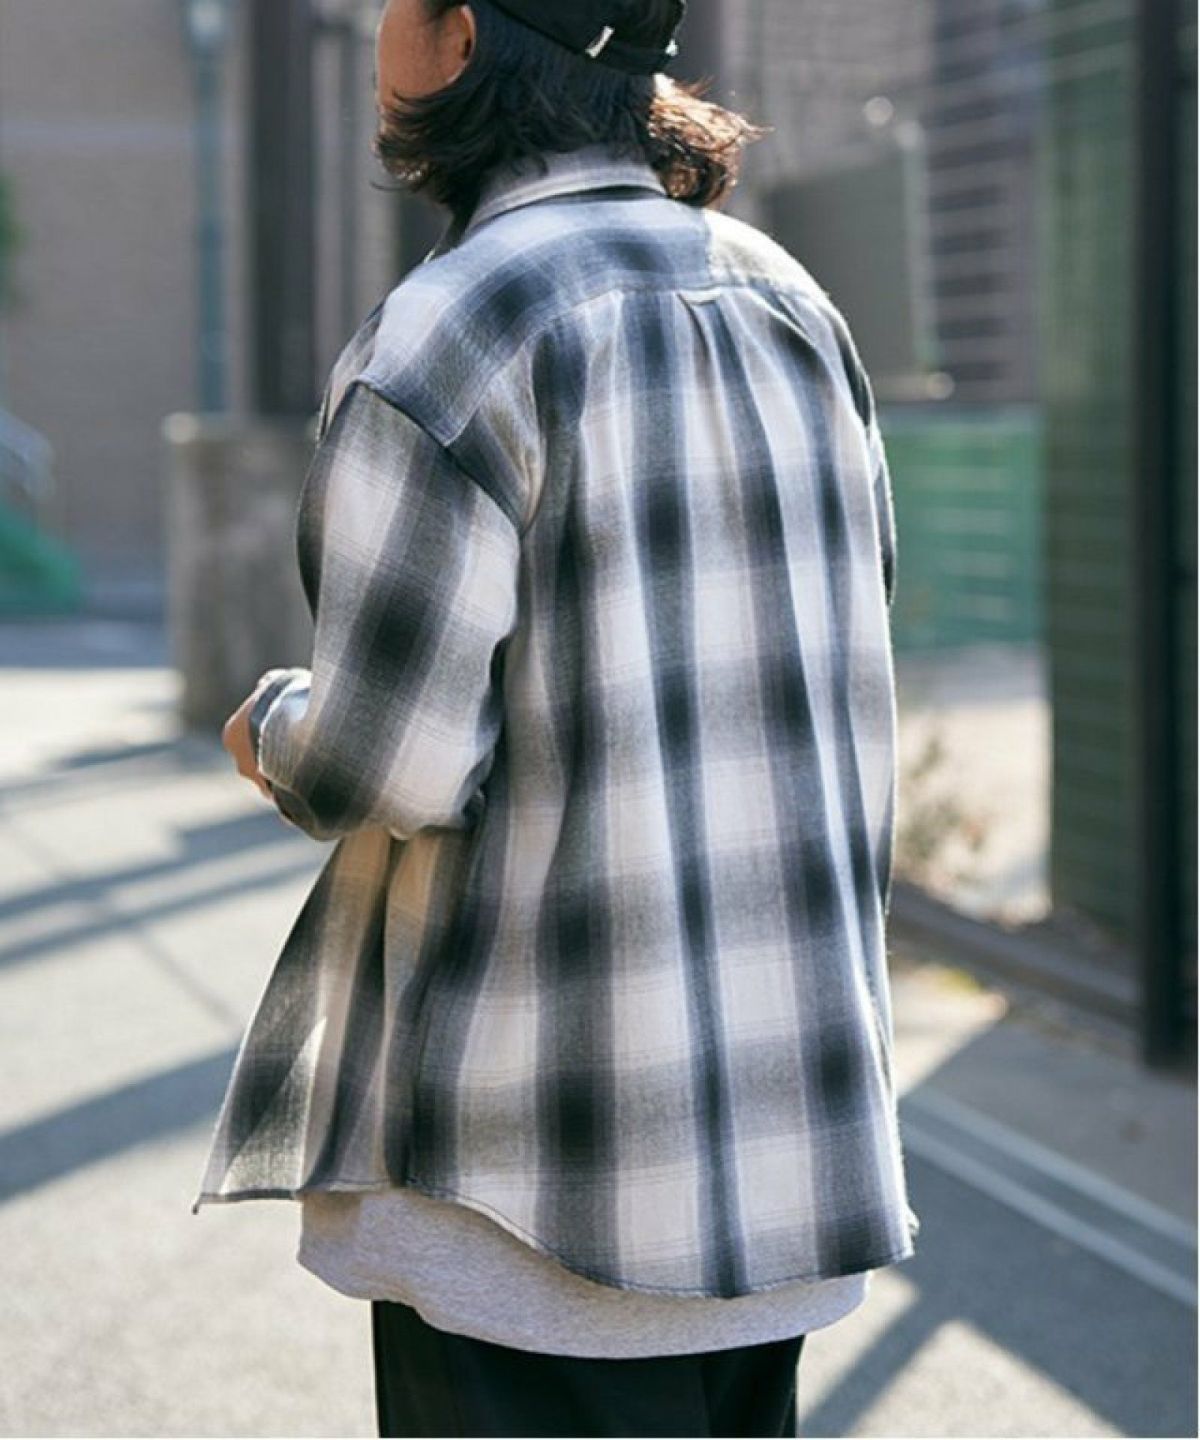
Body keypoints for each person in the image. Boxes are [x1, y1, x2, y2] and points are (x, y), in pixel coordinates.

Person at [200, 0, 921, 1434]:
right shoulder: (790, 301)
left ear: (463, 39)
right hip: (780, 1155)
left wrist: (276, 724)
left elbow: (388, 764)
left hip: (531, 1184)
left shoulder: (454, 326)